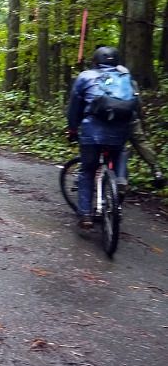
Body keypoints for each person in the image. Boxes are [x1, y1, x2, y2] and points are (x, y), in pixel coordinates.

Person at [66, 46, 131, 229]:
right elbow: (135, 106)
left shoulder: (85, 77)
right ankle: (120, 180)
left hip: (92, 132)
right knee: (120, 153)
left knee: (87, 170)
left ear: (95, 60)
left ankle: (85, 214)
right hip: (119, 131)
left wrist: (72, 129)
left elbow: (74, 107)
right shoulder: (125, 77)